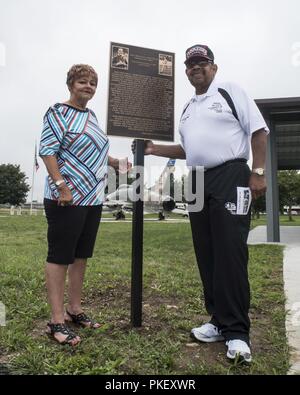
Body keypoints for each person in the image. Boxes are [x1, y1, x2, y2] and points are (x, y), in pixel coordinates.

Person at [134, 44, 268, 363]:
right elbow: (188, 149)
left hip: (231, 174)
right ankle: (218, 322)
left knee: (230, 252)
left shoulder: (230, 91)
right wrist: (154, 149)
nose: (196, 67)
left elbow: (259, 131)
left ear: (214, 67)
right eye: (191, 64)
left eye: (202, 62)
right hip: (196, 179)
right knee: (205, 252)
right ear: (186, 72)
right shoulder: (187, 109)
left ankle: (237, 332)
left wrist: (259, 171)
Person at [39, 64, 131, 346]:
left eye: (93, 83)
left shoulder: (91, 116)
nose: (88, 86)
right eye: (82, 82)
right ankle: (56, 320)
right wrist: (60, 185)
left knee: (81, 256)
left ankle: (74, 310)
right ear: (70, 84)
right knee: (60, 256)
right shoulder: (58, 112)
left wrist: (117, 162)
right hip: (66, 197)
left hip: (92, 197)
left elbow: (96, 152)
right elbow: (47, 150)